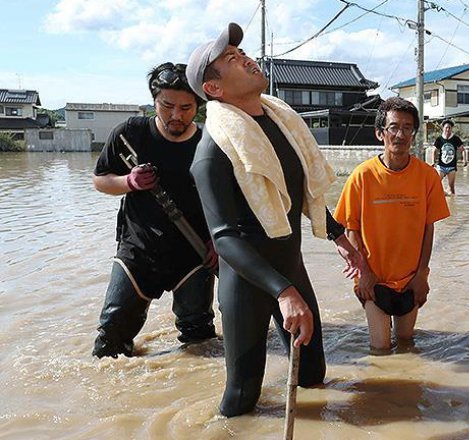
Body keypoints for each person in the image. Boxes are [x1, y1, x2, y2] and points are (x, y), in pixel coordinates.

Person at [185, 22, 364, 417]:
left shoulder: (281, 124)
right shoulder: (212, 153)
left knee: (312, 375)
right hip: (247, 282)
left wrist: (338, 236)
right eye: (231, 58)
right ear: (213, 88)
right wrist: (284, 293)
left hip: (289, 267)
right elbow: (224, 239)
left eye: (242, 52)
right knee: (242, 397)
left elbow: (299, 194)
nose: (246, 59)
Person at [91, 62, 218, 359]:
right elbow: (100, 180)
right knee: (109, 343)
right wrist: (129, 182)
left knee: (201, 343)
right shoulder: (130, 134)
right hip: (138, 249)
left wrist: (219, 240)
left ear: (198, 106)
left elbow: (228, 199)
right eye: (167, 106)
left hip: (195, 253)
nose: (176, 115)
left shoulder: (210, 141)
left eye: (186, 108)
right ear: (154, 101)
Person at [334, 97, 450, 352]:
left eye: (407, 128)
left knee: (407, 342)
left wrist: (421, 275)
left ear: (414, 134)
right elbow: (351, 228)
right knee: (380, 348)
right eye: (393, 127)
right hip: (373, 280)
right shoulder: (362, 176)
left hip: (410, 280)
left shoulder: (428, 176)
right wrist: (364, 274)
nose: (400, 135)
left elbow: (428, 228)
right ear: (380, 133)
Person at [433, 119, 467, 195]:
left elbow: (463, 150)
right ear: (443, 128)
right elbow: (434, 150)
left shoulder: (455, 139)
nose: (448, 129)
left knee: (452, 189)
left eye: (449, 128)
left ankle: (452, 200)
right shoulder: (439, 139)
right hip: (441, 166)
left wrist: (464, 160)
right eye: (446, 128)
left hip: (451, 167)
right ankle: (442, 194)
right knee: (435, 183)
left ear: (451, 129)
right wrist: (433, 162)